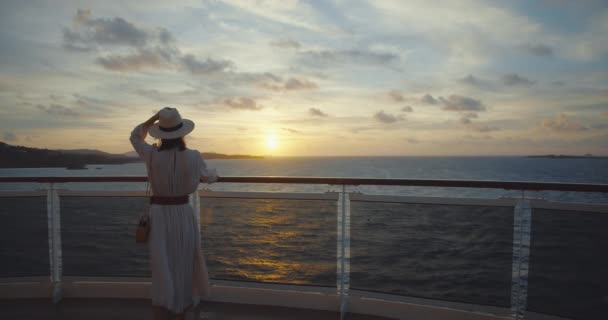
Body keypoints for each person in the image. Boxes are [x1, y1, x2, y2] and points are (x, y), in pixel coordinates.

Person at [130, 107, 218, 320]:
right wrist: (213, 175)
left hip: (159, 213)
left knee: (163, 260)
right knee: (185, 257)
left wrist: (154, 118)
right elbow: (209, 176)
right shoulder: (194, 156)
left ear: (161, 134)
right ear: (182, 133)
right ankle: (182, 305)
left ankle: (165, 304)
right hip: (182, 212)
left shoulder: (150, 155)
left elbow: (135, 136)